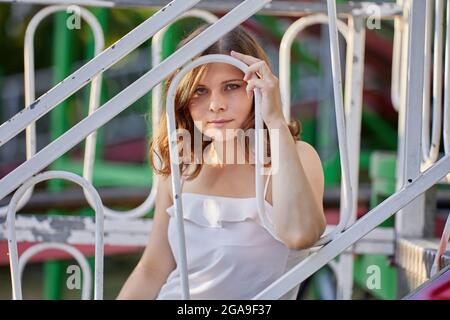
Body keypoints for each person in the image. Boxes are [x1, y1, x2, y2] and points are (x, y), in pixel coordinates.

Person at [117, 24, 326, 300]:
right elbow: (152, 270)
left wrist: (274, 119)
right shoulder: (183, 165)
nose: (216, 104)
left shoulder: (296, 156)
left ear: (257, 86)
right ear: (182, 99)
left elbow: (301, 235)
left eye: (231, 87)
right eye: (200, 91)